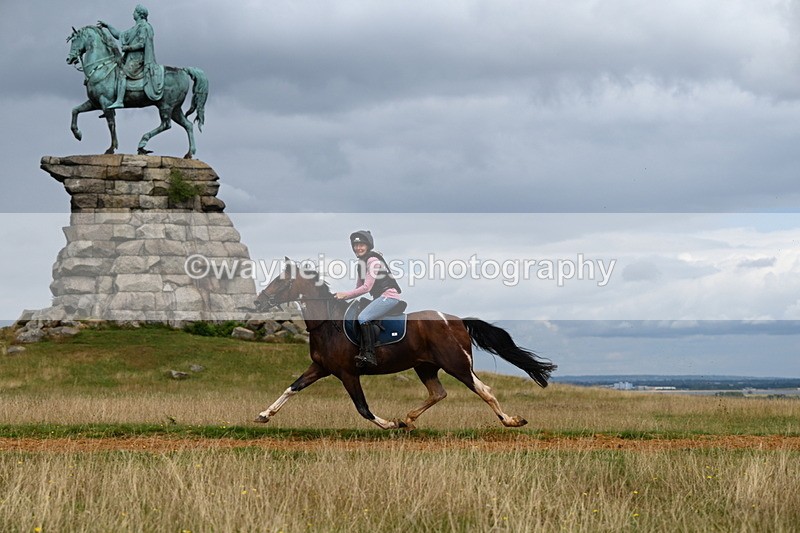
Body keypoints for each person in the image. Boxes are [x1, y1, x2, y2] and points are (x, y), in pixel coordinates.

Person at [335, 230, 404, 368]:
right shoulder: (361, 263)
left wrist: (345, 294)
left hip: (389, 296)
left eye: (361, 245)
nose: (358, 248)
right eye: (355, 245)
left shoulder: (372, 261)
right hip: (380, 297)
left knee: (363, 317)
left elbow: (366, 288)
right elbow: (358, 288)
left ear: (368, 246)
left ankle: (369, 354)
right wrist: (341, 297)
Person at [97, 4, 164, 109]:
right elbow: (119, 35)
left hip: (138, 60)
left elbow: (142, 44)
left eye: (135, 12)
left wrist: (128, 48)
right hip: (130, 59)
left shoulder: (144, 27)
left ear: (140, 14)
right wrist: (108, 26)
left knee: (122, 73)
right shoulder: (135, 28)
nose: (133, 13)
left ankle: (120, 101)